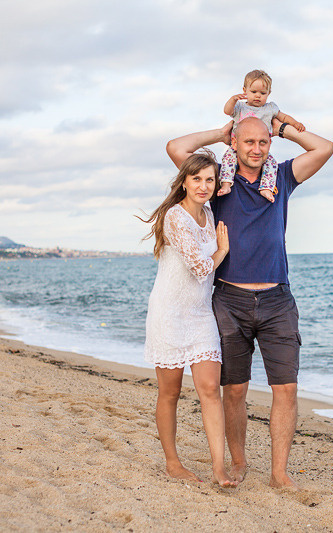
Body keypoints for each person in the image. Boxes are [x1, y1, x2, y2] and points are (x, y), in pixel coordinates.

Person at [166, 116, 333, 488]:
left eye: (263, 142)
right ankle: (239, 462)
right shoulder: (218, 185)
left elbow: (324, 148)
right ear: (236, 143)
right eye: (248, 142)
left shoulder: (284, 178)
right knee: (235, 389)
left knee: (286, 388)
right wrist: (219, 132)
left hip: (277, 300)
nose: (256, 149)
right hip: (230, 300)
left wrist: (283, 128)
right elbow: (177, 148)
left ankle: (279, 473)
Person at [139, 151, 237, 488]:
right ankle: (172, 462)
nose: (204, 185)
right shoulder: (174, 218)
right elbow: (199, 267)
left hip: (199, 314)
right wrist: (222, 251)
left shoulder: (210, 213)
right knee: (170, 393)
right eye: (197, 179)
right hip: (168, 313)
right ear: (184, 181)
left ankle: (219, 468)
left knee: (210, 389)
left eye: (210, 179)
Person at [218, 69, 305, 203]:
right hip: (237, 147)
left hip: (260, 151)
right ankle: (226, 183)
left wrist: (295, 123)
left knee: (271, 164)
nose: (258, 96)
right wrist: (233, 99)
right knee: (228, 161)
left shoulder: (269, 108)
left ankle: (266, 187)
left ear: (269, 93)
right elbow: (227, 111)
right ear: (244, 90)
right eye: (253, 92)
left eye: (262, 93)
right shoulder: (240, 107)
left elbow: (284, 117)